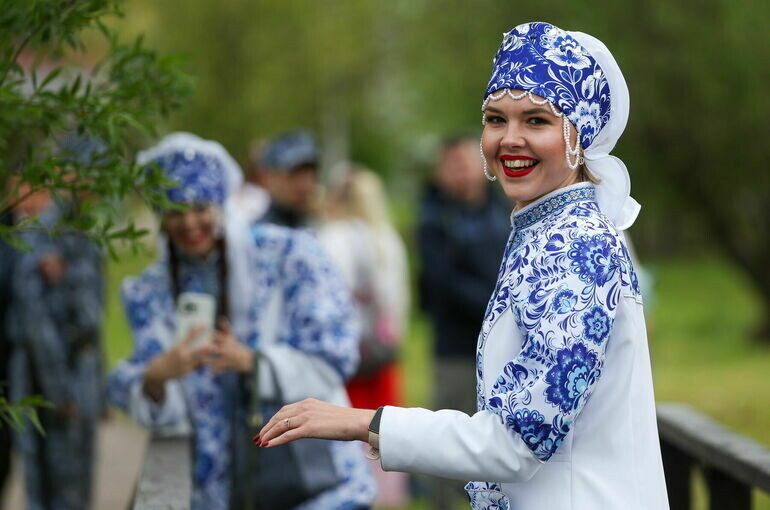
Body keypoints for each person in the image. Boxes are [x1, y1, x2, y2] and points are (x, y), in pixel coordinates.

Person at [256, 22, 669, 510]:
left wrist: (361, 421)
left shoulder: (577, 249)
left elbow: (519, 443)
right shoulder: (546, 229)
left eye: (535, 120)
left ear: (579, 134)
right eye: (496, 119)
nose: (509, 139)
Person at [107, 132, 375, 510]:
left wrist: (254, 362)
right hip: (213, 489)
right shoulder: (148, 291)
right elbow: (137, 392)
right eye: (173, 211)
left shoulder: (291, 255)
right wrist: (156, 377)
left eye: (199, 207)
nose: (189, 223)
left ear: (220, 204)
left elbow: (336, 356)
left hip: (313, 482)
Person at [6, 147, 106, 510]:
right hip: (46, 379)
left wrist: (100, 387)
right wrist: (60, 390)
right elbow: (36, 322)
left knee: (78, 485)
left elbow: (95, 314)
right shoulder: (44, 232)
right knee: (51, 486)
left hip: (80, 375)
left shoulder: (82, 229)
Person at [417, 135, 512, 509]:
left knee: (495, 435)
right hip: (457, 347)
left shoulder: (503, 208)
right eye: (452, 164)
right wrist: (498, 307)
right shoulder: (433, 218)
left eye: (466, 162)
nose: (461, 172)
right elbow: (442, 281)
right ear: (441, 171)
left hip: (505, 346)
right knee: (447, 430)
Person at [318, 165, 411, 507]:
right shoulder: (387, 238)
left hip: (348, 355)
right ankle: (385, 495)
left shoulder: (333, 237)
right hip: (381, 350)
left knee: (345, 424)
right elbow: (398, 301)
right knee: (382, 428)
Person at [259, 130, 321, 228]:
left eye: (310, 175)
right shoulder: (256, 237)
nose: (305, 185)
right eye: (294, 174)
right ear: (270, 177)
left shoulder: (321, 230)